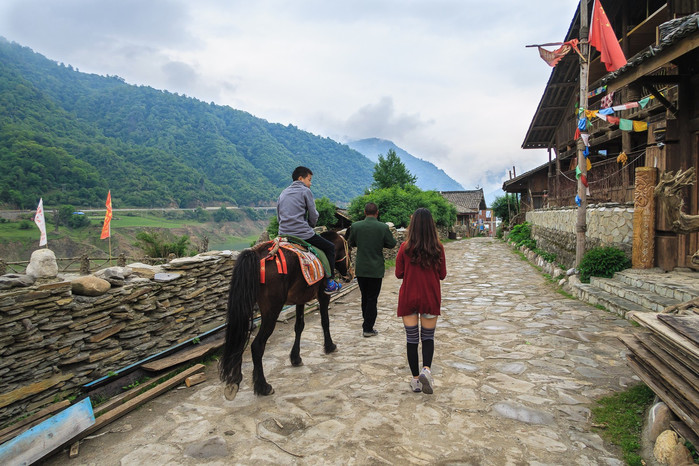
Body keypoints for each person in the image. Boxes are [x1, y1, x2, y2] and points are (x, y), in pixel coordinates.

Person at [395, 208, 447, 394]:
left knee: (411, 339)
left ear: (412, 225)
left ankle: (416, 380)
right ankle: (427, 369)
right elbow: (442, 274)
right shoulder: (438, 248)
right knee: (427, 337)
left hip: (409, 297)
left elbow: (398, 273)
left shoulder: (404, 248)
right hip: (430, 297)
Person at [277, 166, 341, 294]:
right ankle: (330, 282)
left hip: (283, 233)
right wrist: (311, 226)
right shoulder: (305, 191)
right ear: (300, 178)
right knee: (329, 247)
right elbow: (313, 215)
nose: (310, 184)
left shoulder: (283, 192)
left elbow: (279, 215)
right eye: (309, 180)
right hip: (301, 233)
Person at [347, 202, 397, 337]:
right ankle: (368, 328)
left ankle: (366, 323)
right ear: (377, 213)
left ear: (364, 212)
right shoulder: (383, 227)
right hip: (376, 269)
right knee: (372, 298)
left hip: (362, 269)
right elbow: (392, 244)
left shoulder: (356, 226)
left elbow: (350, 242)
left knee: (365, 297)